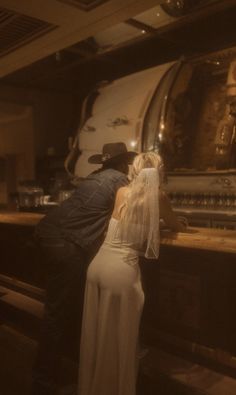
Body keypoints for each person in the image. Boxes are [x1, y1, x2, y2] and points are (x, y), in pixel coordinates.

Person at [32, 142, 137, 395]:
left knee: (64, 312)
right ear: (124, 163)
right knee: (58, 315)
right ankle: (43, 383)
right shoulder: (121, 181)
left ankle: (63, 374)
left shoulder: (94, 177)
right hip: (66, 244)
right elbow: (134, 217)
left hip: (47, 235)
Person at [78, 151, 185, 395]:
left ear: (133, 171)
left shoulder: (121, 193)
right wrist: (182, 224)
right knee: (121, 341)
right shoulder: (159, 196)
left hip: (97, 266)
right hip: (120, 273)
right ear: (159, 172)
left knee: (97, 338)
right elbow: (176, 226)